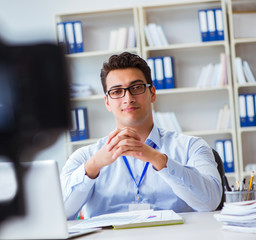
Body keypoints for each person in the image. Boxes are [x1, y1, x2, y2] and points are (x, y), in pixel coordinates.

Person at [60, 52, 222, 220]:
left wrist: (159, 160)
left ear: (152, 93)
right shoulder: (85, 158)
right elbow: (61, 213)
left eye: (136, 88)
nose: (128, 98)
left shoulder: (191, 147)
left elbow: (210, 203)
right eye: (116, 91)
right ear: (107, 102)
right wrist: (93, 166)